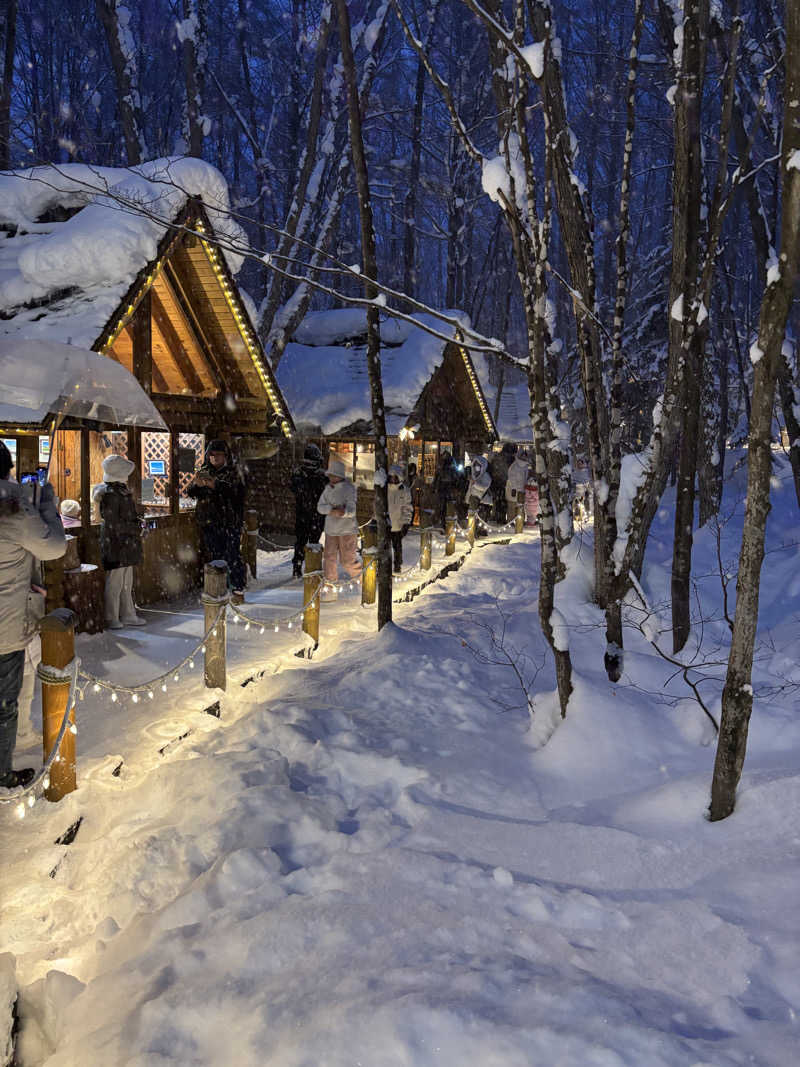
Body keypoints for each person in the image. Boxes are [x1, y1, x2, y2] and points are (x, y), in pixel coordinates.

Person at [0, 440, 66, 788]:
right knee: (7, 698)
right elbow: (54, 547)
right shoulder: (12, 508)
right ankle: (2, 770)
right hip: (6, 622)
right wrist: (45, 505)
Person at [187, 439, 247, 597]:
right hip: (209, 521)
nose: (215, 458)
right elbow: (191, 493)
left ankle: (237, 587)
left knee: (232, 555)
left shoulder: (234, 472)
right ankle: (220, 587)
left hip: (229, 521)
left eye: (218, 455)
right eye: (212, 455)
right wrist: (197, 486)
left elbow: (238, 493)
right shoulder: (205, 470)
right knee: (215, 556)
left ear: (225, 456)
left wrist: (217, 485)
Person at [92, 454, 146, 629]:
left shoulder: (116, 491)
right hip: (117, 542)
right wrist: (136, 528)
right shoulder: (111, 493)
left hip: (122, 542)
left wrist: (136, 524)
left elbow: (120, 520)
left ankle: (126, 614)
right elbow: (115, 523)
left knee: (124, 582)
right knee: (116, 582)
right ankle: (113, 616)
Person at [317, 457, 359, 599]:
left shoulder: (349, 489)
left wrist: (343, 512)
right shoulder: (327, 489)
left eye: (333, 475)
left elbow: (352, 509)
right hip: (331, 530)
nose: (330, 478)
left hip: (347, 529)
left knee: (347, 561)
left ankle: (364, 580)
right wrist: (330, 510)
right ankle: (330, 587)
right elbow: (320, 507)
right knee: (329, 558)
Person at [289, 443, 328, 578]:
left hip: (313, 514)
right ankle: (299, 567)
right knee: (304, 542)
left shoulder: (320, 475)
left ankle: (309, 567)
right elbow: (295, 489)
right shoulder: (300, 474)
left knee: (310, 542)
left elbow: (326, 492)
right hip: (307, 514)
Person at [386, 465, 413, 573]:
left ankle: (397, 566)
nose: (393, 479)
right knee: (385, 549)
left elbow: (407, 507)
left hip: (398, 524)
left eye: (395, 477)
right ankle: (385, 568)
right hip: (387, 524)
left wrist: (406, 522)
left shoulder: (404, 491)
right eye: (391, 477)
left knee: (397, 548)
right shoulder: (384, 489)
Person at [488, 443, 516, 523]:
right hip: (505, 483)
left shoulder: (497, 457)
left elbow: (492, 468)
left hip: (496, 482)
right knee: (503, 501)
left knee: (497, 500)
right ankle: (501, 518)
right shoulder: (511, 459)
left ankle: (496, 516)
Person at [432, 450, 458, 530]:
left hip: (445, 488)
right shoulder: (448, 466)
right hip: (445, 489)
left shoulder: (446, 466)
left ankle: (445, 523)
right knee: (445, 508)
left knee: (445, 508)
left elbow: (437, 477)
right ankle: (445, 523)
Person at [465, 455, 492, 525]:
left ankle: (479, 528)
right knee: (472, 514)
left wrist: (475, 484)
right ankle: (472, 528)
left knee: (481, 516)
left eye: (478, 465)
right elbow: (470, 488)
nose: (476, 467)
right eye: (475, 465)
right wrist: (467, 497)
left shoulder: (486, 476)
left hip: (482, 500)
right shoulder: (473, 474)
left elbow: (484, 487)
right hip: (473, 499)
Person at [506, 448, 529, 520]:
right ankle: (515, 522)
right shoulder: (516, 466)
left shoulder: (524, 466)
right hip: (515, 490)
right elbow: (512, 478)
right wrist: (514, 488)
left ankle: (517, 523)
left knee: (515, 507)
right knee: (516, 507)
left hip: (517, 490)